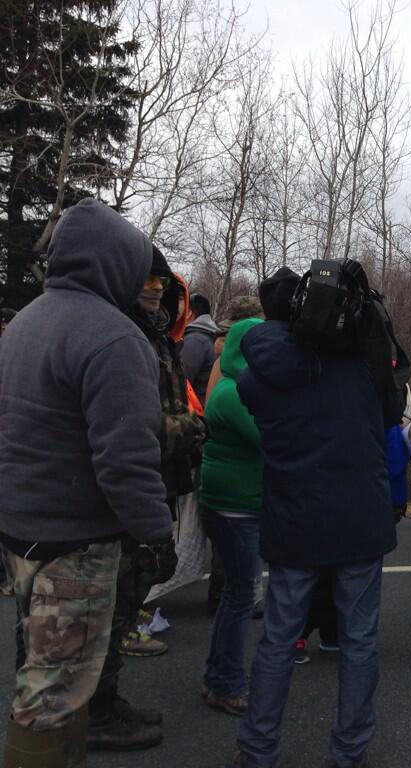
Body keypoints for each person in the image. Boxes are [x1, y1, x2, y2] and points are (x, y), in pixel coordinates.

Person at [0, 198, 174, 767]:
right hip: (75, 546)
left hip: (22, 535)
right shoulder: (114, 338)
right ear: (114, 264)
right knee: (49, 696)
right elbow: (125, 458)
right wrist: (155, 532)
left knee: (51, 673)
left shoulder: (24, 322)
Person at [233, 266, 397, 768]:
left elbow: (254, 395)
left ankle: (258, 751)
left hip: (293, 518)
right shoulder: (362, 367)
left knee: (278, 640)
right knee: (359, 638)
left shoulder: (255, 376)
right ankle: (348, 752)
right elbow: (391, 414)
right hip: (359, 518)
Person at [87, 244, 207, 752]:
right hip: (131, 483)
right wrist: (189, 427)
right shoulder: (122, 334)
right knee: (113, 606)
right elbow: (132, 422)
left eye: (163, 282)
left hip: (159, 476)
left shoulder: (159, 336)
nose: (156, 288)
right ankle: (93, 712)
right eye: (148, 280)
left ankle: (105, 700)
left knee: (130, 595)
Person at [200, 317, 264, 717]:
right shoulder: (231, 393)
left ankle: (217, 675)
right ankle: (225, 683)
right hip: (233, 506)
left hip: (238, 503)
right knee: (240, 597)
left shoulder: (237, 387)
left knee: (235, 596)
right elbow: (269, 436)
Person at [181, 292, 219, 402]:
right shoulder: (208, 335)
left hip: (196, 410)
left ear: (188, 313)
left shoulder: (195, 340)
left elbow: (182, 381)